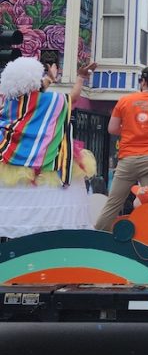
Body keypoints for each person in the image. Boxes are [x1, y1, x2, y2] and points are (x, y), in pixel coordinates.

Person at [0, 57, 96, 238]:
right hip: (48, 161)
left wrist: (49, 79)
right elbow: (73, 98)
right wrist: (80, 78)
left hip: (10, 158)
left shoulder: (8, 103)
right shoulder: (50, 101)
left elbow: (32, 93)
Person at [95, 66, 148, 231]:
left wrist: (129, 130)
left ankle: (98, 236)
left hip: (128, 159)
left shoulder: (125, 101)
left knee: (114, 202)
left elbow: (112, 128)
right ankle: (146, 239)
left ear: (143, 81)